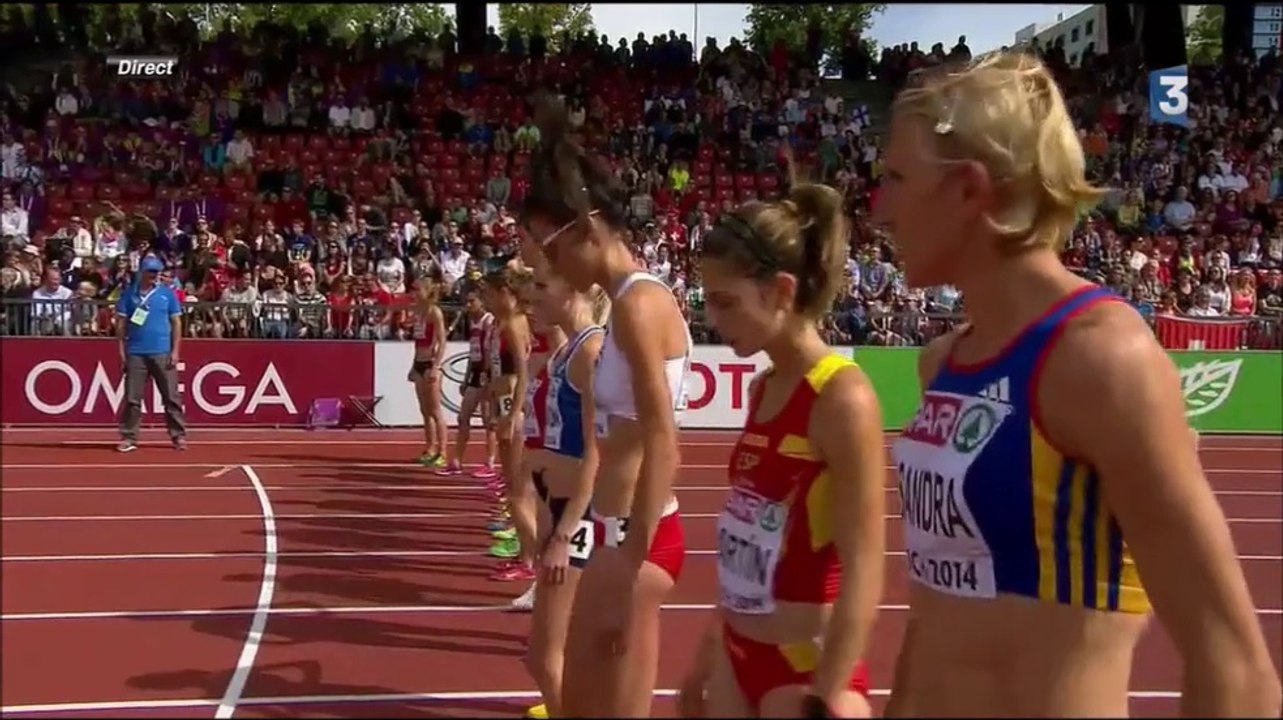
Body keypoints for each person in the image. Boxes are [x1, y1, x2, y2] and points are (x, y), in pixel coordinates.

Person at [875, 53, 1281, 716]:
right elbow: (933, 618)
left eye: (894, 178)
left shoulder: (1100, 361)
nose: (879, 208)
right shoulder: (942, 363)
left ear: (969, 190)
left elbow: (1232, 663)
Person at [676, 178, 885, 718]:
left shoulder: (843, 397)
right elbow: (745, 544)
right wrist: (702, 664)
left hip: (803, 670)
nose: (713, 322)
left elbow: (866, 566)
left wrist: (828, 693)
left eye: (727, 303)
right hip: (736, 656)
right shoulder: (764, 388)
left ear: (782, 292)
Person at [525, 97, 690, 717]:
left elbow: (664, 439)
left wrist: (632, 561)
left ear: (588, 228)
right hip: (612, 536)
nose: (552, 265)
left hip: (635, 541)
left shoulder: (638, 305)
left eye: (552, 248)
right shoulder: (626, 302)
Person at [523, 263, 611, 720]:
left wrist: (564, 532)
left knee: (544, 655)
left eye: (541, 286)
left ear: (574, 288)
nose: (531, 297)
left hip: (576, 514)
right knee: (557, 652)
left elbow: (598, 450)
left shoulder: (590, 349)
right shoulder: (566, 350)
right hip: (558, 507)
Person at [480, 265, 540, 585]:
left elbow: (523, 370)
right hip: (504, 404)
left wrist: (514, 413)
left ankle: (533, 561)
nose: (486, 300)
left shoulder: (515, 324)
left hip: (513, 409)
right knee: (515, 489)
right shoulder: (504, 323)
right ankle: (525, 554)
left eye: (490, 294)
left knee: (519, 493)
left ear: (505, 294)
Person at [115, 252, 186, 453]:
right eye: (150, 272)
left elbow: (176, 322)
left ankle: (178, 435)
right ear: (142, 272)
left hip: (162, 351)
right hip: (136, 351)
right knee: (132, 398)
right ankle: (129, 436)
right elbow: (120, 325)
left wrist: (175, 350)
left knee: (171, 396)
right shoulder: (129, 294)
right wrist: (122, 351)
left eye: (157, 272)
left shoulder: (167, 294)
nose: (154, 275)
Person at [437, 288, 499, 479]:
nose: (468, 305)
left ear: (482, 301)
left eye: (472, 301)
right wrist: (466, 378)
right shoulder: (472, 322)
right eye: (467, 301)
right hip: (475, 373)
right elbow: (473, 354)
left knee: (490, 421)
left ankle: (490, 462)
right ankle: (456, 461)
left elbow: (490, 351)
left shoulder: (489, 321)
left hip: (487, 374)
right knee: (463, 417)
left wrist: (489, 377)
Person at [408, 275, 447, 468]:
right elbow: (417, 343)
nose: (413, 293)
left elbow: (442, 341)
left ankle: (442, 451)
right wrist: (413, 366)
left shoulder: (434, 312)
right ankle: (430, 448)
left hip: (431, 363)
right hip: (419, 362)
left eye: (416, 289)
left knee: (435, 410)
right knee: (425, 411)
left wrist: (436, 366)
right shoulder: (418, 312)